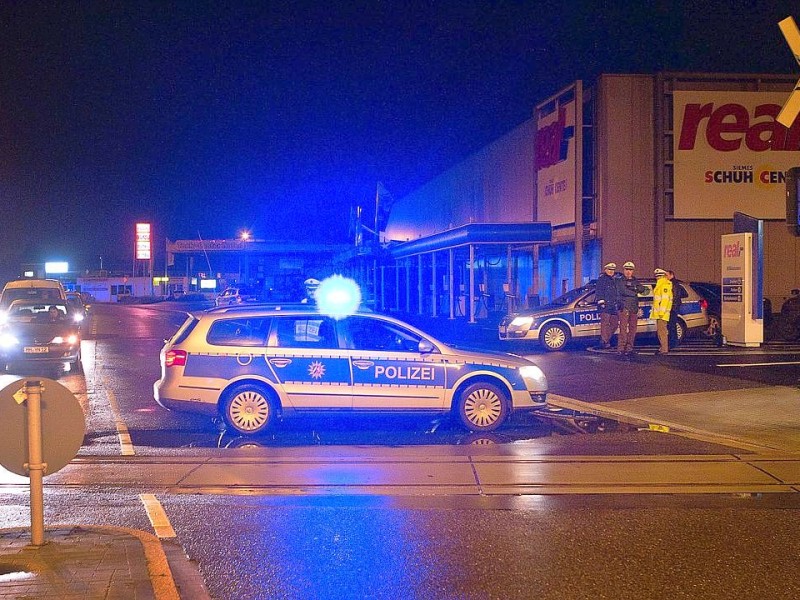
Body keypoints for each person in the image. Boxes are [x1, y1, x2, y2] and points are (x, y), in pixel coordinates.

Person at [615, 261, 645, 355]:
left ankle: (629, 348)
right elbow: (623, 291)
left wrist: (633, 288)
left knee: (633, 328)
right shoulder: (619, 280)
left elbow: (642, 289)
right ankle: (621, 348)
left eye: (630, 270)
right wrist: (634, 291)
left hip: (633, 307)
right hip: (624, 307)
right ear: (624, 270)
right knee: (623, 329)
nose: (628, 272)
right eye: (627, 270)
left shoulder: (635, 280)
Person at [595, 262, 620, 349]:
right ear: (605, 270)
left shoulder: (615, 280)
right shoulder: (602, 279)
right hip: (605, 306)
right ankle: (605, 341)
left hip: (613, 306)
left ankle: (604, 340)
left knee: (615, 324)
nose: (611, 271)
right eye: (609, 269)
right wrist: (601, 302)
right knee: (605, 324)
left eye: (612, 270)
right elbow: (599, 291)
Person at [651, 268, 673, 354]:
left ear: (663, 276)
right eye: (657, 276)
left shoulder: (664, 285)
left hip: (662, 314)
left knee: (662, 332)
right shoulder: (661, 284)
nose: (657, 277)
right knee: (661, 331)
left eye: (659, 276)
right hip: (660, 313)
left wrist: (661, 313)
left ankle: (664, 349)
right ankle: (663, 348)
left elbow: (664, 300)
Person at [666, 270, 687, 349]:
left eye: (667, 275)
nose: (666, 277)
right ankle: (673, 342)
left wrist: (670, 306)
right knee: (672, 325)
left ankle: (673, 342)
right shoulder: (676, 283)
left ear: (672, 275)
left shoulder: (672, 284)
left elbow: (673, 296)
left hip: (673, 307)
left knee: (671, 325)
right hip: (674, 307)